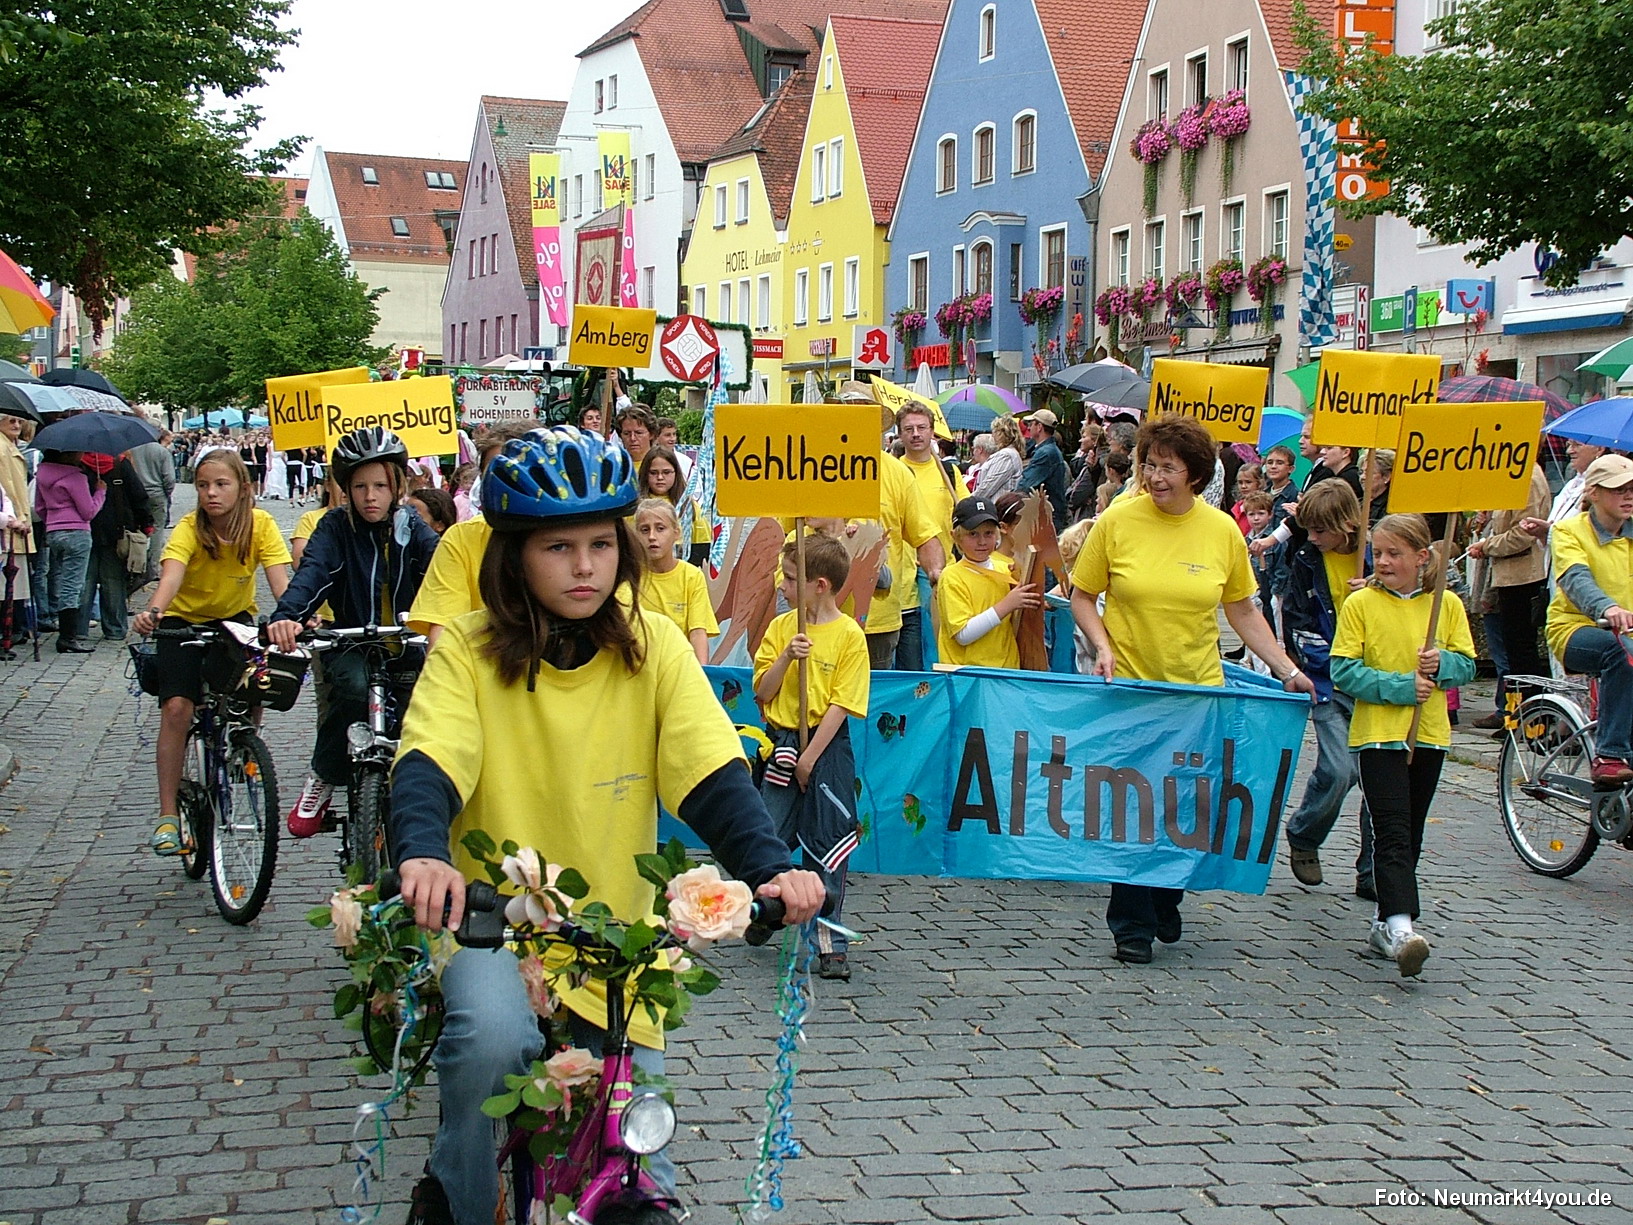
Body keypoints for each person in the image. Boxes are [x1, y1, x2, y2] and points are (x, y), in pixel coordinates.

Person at [389, 429, 824, 1225]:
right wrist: (423, 852)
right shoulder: (468, 650)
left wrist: (769, 866)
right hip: (492, 923)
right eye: (558, 546)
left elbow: (713, 777)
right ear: (514, 554)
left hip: (614, 939)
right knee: (489, 1041)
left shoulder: (653, 647)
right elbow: (429, 761)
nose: (585, 566)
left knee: (633, 1131)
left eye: (600, 543)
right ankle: (452, 1198)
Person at [1070, 415, 1313, 964]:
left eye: (1168, 468)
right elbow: (1083, 595)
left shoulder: (1221, 531)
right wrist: (1102, 646)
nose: (1155, 477)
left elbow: (1243, 610)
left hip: (1198, 694)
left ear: (1197, 476)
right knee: (1132, 808)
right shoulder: (1118, 521)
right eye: (1149, 465)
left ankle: (1166, 895)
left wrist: (1285, 668)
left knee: (1184, 809)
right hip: (1133, 690)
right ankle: (1131, 924)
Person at [267, 428, 441, 837]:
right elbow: (313, 573)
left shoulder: (412, 526)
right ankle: (324, 776)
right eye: (359, 486)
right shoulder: (334, 527)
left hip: (405, 643)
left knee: (427, 713)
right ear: (344, 489)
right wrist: (288, 615)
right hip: (350, 641)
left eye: (380, 485)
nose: (370, 496)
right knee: (351, 690)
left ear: (397, 485)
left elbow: (442, 570)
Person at [1331, 512, 1475, 978]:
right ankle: (1401, 926)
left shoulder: (1445, 605)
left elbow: (1468, 665)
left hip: (1429, 734)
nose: (1385, 561)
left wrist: (1444, 663)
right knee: (1390, 827)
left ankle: (1382, 922)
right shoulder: (1361, 605)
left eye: (1395, 553)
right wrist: (1398, 686)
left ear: (1422, 557)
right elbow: (1344, 670)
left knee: (1411, 830)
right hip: (1377, 734)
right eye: (1379, 552)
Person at [132, 451, 292, 856]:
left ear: (243, 488)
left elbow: (280, 582)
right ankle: (168, 815)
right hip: (181, 622)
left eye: (221, 484)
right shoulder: (190, 527)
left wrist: (294, 618)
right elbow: (172, 574)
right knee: (177, 709)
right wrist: (154, 610)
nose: (210, 493)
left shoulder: (261, 525)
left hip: (232, 620)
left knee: (252, 687)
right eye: (203, 485)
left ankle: (243, 744)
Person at [753, 533, 867, 980]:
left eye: (790, 578)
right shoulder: (783, 627)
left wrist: (810, 758)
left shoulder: (848, 636)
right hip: (781, 739)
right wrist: (786, 657)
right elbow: (762, 691)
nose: (782, 585)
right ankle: (771, 911)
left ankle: (828, 941)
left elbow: (843, 705)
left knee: (828, 847)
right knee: (768, 837)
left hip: (826, 747)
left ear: (820, 585)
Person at [1279, 480, 1375, 896]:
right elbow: (1296, 619)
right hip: (1327, 679)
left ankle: (1375, 871)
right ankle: (1304, 831)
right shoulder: (1305, 560)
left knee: (1378, 779)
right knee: (1339, 769)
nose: (1314, 538)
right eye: (1309, 530)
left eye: (1321, 530)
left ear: (1347, 524)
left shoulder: (1377, 556)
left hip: (1379, 681)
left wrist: (1377, 589)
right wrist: (1315, 664)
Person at [406, 421, 542, 646]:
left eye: (517, 473)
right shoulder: (461, 539)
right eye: (496, 474)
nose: (506, 485)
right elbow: (443, 636)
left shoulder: (575, 534)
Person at [1545, 454, 1633, 784]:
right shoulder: (1569, 532)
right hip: (1576, 630)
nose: (1628, 496)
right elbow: (1575, 579)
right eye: (1618, 489)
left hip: (1628, 633)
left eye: (1632, 488)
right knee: (1621, 655)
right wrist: (1608, 608)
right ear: (1593, 492)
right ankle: (1609, 754)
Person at [1465, 462, 1550, 731]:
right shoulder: (1508, 474)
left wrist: (1487, 545)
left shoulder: (1529, 477)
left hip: (1524, 576)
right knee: (1513, 652)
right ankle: (1515, 715)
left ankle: (1533, 719)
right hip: (1507, 576)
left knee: (1522, 652)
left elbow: (1523, 534)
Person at [896, 403, 967, 669]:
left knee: (937, 638)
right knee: (909, 643)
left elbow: (964, 514)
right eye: (909, 429)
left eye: (921, 428)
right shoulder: (895, 470)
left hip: (938, 568)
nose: (915, 434)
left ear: (932, 432)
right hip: (902, 566)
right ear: (900, 435)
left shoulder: (949, 472)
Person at [935, 496, 1042, 669]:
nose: (982, 541)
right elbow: (963, 635)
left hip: (1006, 670)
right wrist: (1008, 604)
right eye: (973, 534)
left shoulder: (1006, 569)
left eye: (989, 533)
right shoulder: (952, 577)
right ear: (956, 537)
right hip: (970, 675)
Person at [78, 451, 153, 643]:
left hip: (84, 530)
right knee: (112, 583)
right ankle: (115, 628)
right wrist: (146, 523)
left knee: (84, 582)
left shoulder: (78, 465)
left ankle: (78, 628)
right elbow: (138, 496)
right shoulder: (120, 465)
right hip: (116, 532)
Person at [35, 449, 105, 651]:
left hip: (53, 532)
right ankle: (67, 637)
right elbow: (88, 511)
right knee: (72, 585)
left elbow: (39, 507)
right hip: (76, 532)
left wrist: (52, 524)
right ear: (69, 454)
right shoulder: (75, 477)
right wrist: (100, 492)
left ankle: (64, 630)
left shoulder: (42, 475)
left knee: (58, 578)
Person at [632, 497, 717, 664]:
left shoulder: (691, 577)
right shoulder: (629, 576)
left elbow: (698, 632)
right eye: (644, 530)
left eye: (660, 528)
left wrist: (701, 674)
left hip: (678, 667)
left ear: (676, 533)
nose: (651, 536)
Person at [638, 445, 709, 565]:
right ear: (645, 473)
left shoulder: (689, 506)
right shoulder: (633, 508)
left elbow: (703, 545)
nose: (660, 477)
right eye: (653, 473)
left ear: (676, 473)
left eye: (666, 472)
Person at [1016, 408, 1069, 533]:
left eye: (1031, 423)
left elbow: (1027, 484)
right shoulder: (1048, 450)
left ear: (1039, 427)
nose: (1028, 428)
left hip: (1048, 516)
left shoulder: (1046, 453)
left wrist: (1012, 500)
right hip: (1050, 514)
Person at [972, 415, 1024, 500]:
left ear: (1001, 434)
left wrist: (969, 501)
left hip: (997, 507)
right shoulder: (1010, 453)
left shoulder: (1006, 456)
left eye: (994, 432)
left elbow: (989, 485)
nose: (992, 435)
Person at [1231, 463, 1265, 534]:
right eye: (1240, 482)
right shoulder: (1238, 506)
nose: (1243, 486)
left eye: (1248, 482)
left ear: (1259, 483)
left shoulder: (1263, 505)